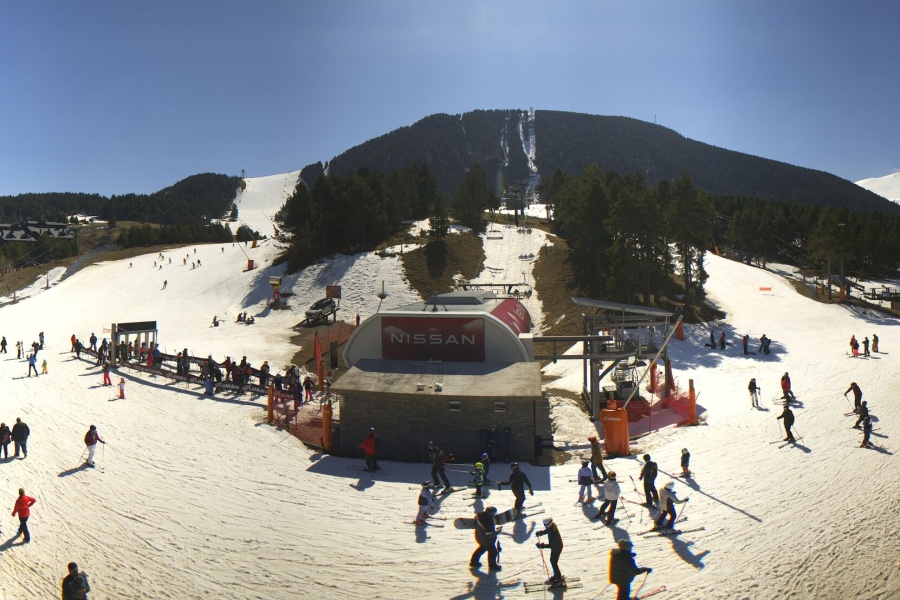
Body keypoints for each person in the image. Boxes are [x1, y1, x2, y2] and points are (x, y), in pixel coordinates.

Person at [470, 506, 502, 571]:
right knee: (493, 551)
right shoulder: (488, 522)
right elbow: (490, 535)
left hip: (479, 536)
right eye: (493, 513)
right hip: (486, 540)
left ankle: (474, 562)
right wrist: (498, 531)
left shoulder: (480, 516)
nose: (494, 515)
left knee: (483, 548)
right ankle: (492, 566)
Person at [536, 516, 565, 586]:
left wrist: (541, 546)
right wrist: (541, 533)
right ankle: (557, 576)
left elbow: (551, 545)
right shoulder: (552, 526)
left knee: (553, 562)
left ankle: (558, 578)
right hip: (556, 547)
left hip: (556, 548)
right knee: (553, 561)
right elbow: (548, 530)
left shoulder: (553, 533)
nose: (545, 526)